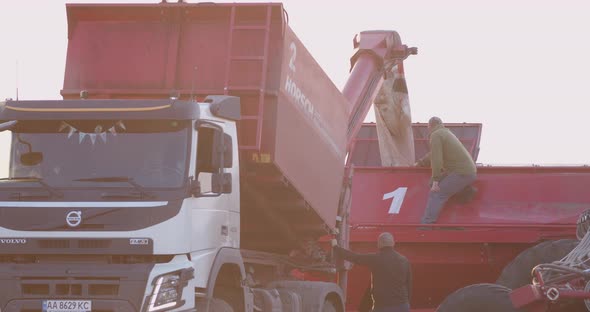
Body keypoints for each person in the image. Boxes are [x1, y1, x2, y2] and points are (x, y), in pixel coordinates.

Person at [416, 116, 477, 224]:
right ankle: (464, 190)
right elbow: (433, 154)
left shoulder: (435, 135)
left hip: (461, 172)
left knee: (436, 193)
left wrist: (436, 180)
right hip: (467, 171)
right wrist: (420, 163)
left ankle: (426, 224)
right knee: (432, 183)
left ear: (429, 126)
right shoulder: (446, 133)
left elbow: (436, 159)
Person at [332, 232, 412, 312]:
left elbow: (355, 258)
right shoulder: (404, 260)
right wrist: (406, 304)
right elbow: (409, 285)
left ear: (379, 244)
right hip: (403, 306)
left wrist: (336, 247)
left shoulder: (376, 258)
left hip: (383, 307)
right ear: (393, 243)